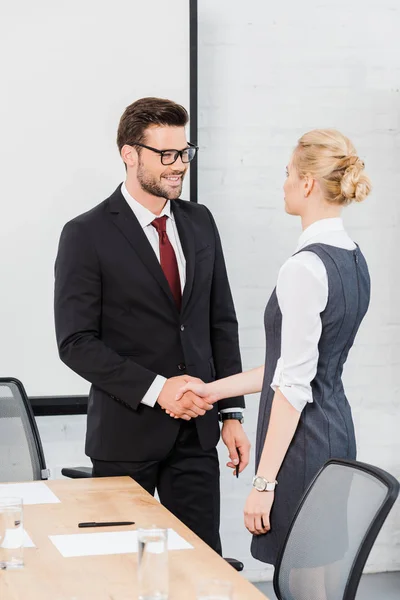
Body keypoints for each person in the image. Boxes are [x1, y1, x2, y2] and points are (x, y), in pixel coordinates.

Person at [54, 97, 250, 554]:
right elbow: (76, 342)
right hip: (125, 435)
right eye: (166, 155)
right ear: (129, 153)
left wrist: (232, 412)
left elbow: (220, 322)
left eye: (184, 153)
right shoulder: (86, 233)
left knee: (202, 567)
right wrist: (158, 388)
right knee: (119, 571)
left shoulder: (200, 222)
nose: (178, 166)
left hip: (197, 433)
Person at [175, 128, 372, 565]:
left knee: (302, 582)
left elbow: (294, 385)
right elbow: (293, 367)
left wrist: (264, 485)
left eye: (287, 173)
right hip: (335, 434)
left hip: (300, 447)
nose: (282, 183)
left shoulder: (303, 268)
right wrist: (213, 391)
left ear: (306, 183)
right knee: (316, 578)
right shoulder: (354, 257)